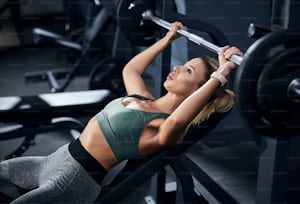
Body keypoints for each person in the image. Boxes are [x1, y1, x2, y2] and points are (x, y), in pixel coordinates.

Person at [0, 22, 243, 203]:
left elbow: (179, 119)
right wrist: (168, 39)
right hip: (54, 159)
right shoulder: (143, 98)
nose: (177, 68)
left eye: (188, 71)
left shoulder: (162, 127)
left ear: (197, 90)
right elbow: (130, 71)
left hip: (72, 179)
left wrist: (222, 74)